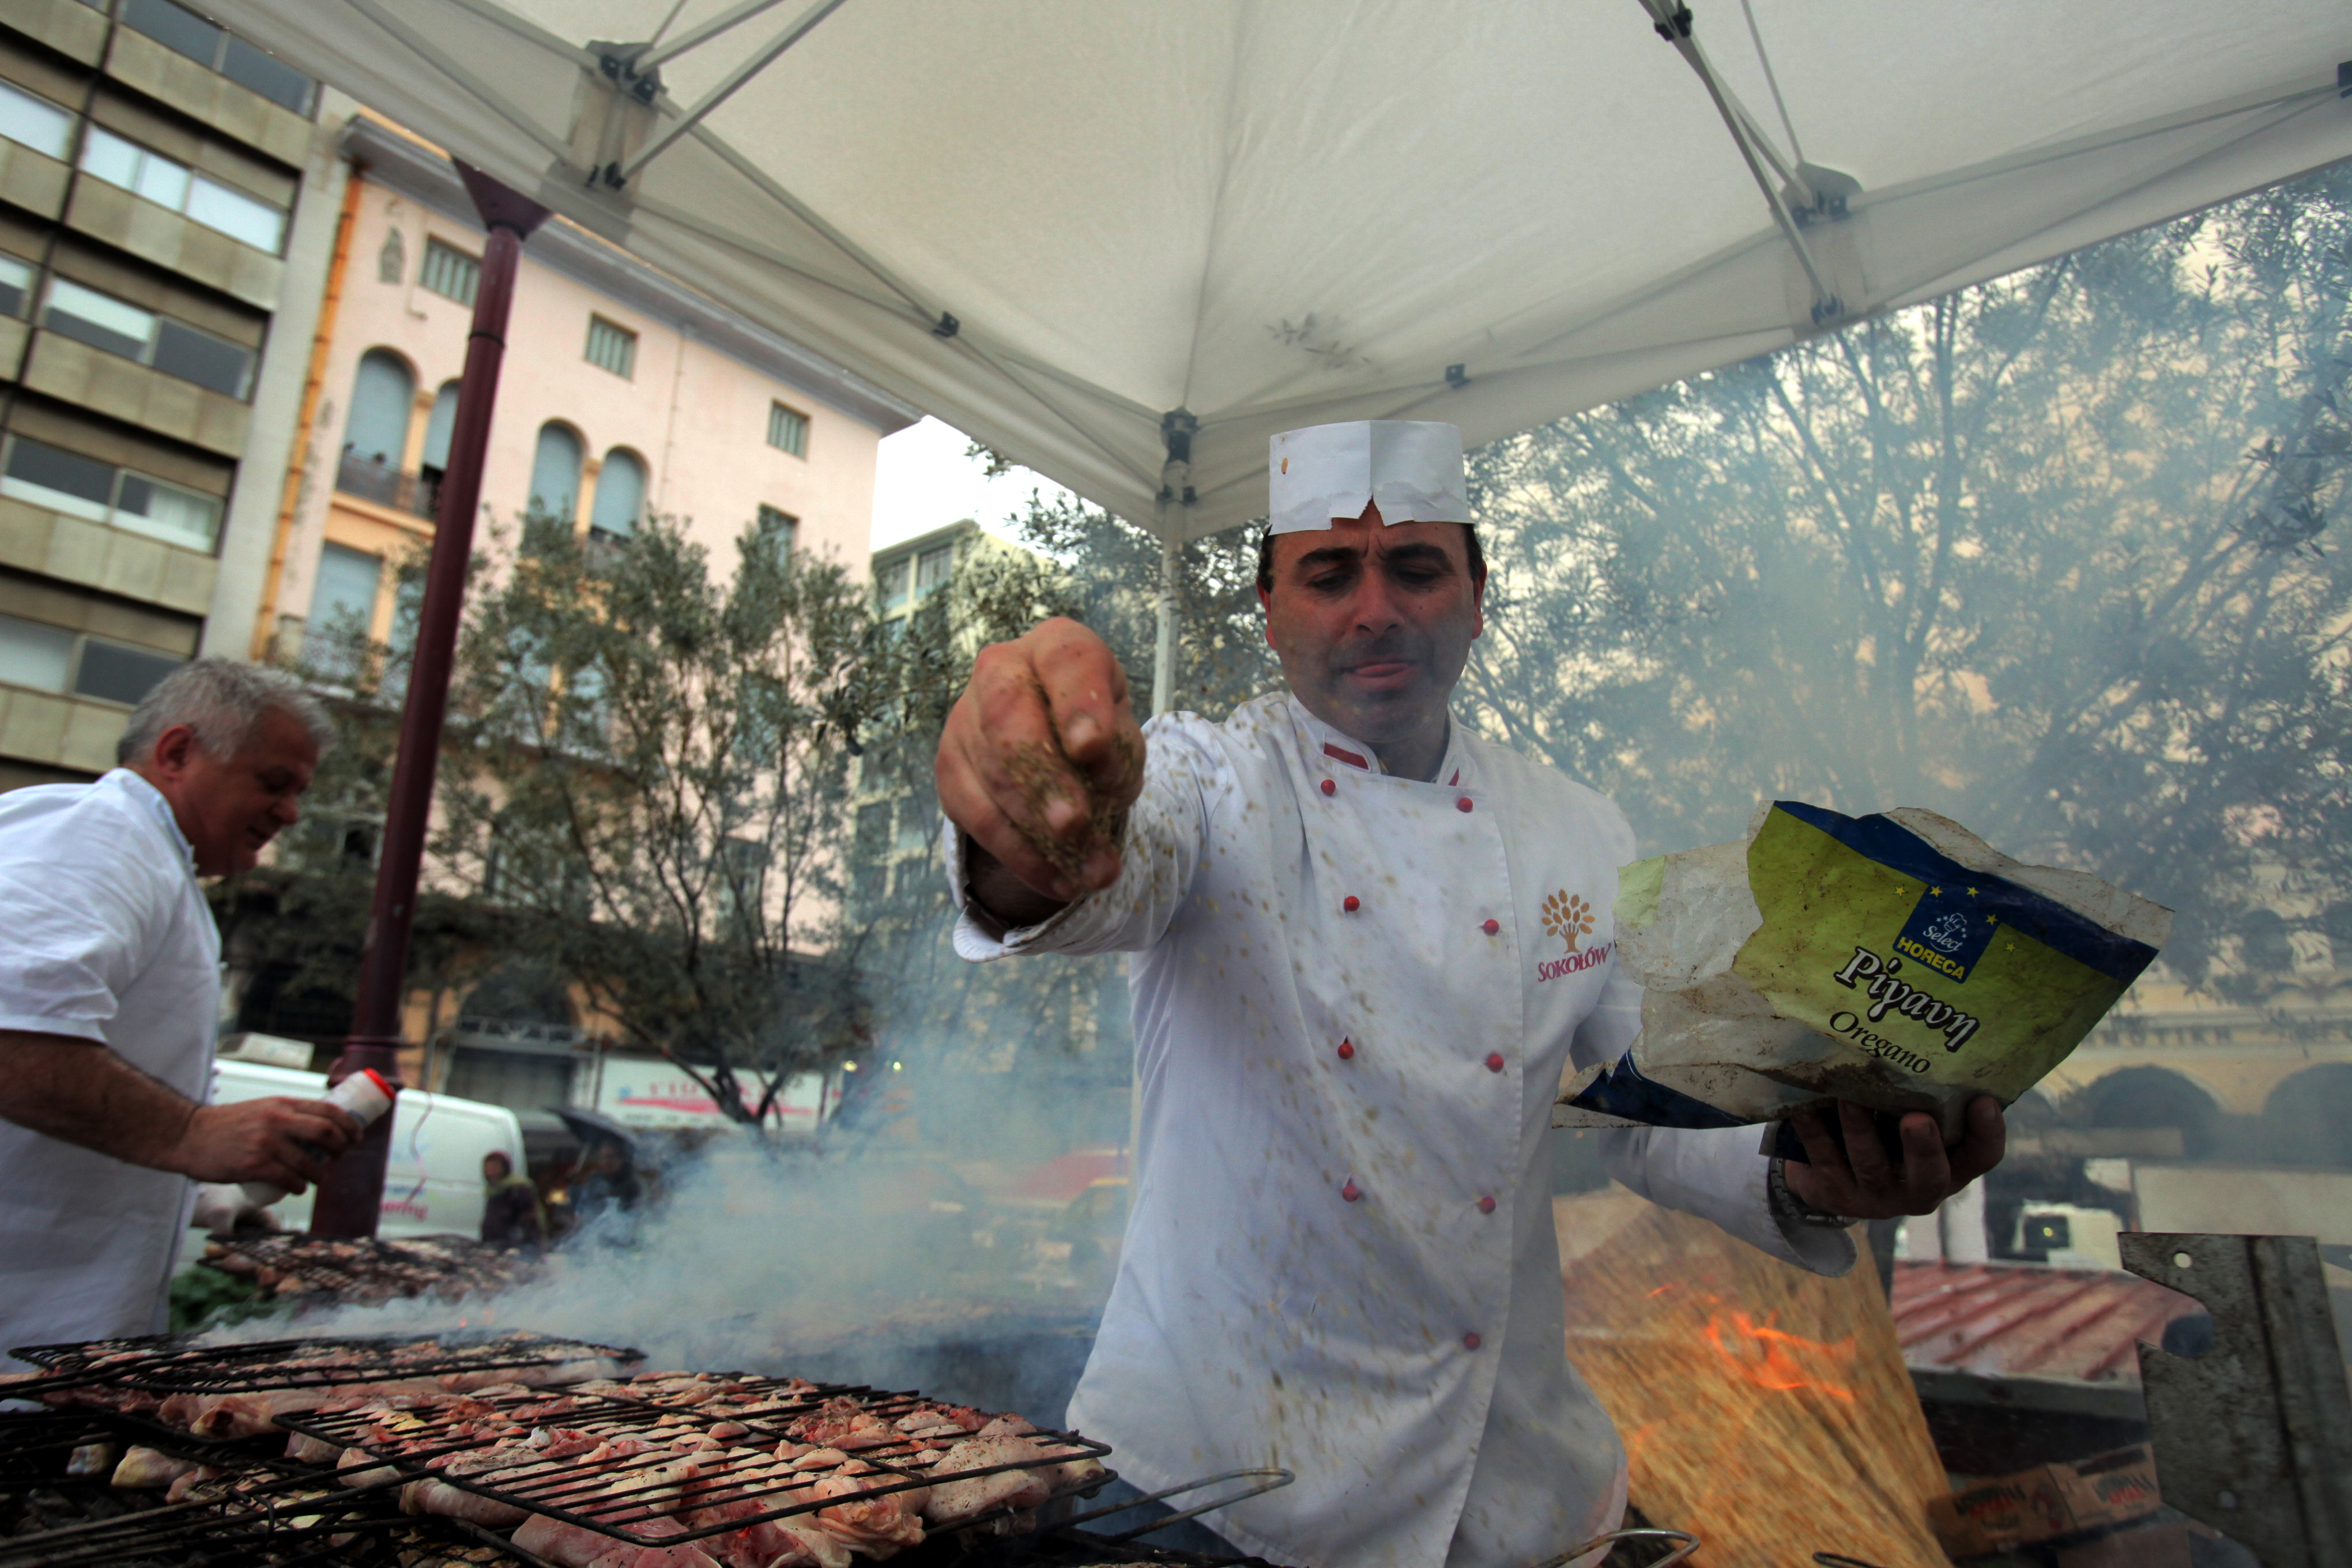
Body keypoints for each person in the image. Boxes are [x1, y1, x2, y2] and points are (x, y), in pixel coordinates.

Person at [935, 420, 2007, 1568]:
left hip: (1516, 1498)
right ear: (1269, 609)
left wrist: (1816, 1160)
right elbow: (1094, 865)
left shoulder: (1575, 826)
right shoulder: (1212, 780)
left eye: (1417, 567)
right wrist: (1035, 820)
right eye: (1330, 573)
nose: (1376, 608)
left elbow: (1663, 1103)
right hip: (1213, 1493)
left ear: (1479, 594)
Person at [0, 659, 359, 1366]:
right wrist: (193, 1132)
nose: (290, 812)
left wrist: (216, 1196)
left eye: (299, 792)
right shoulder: (102, 835)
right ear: (176, 753)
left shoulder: (157, 863)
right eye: (274, 782)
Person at [480, 1151, 546, 1252]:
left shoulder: (519, 1189)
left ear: (505, 1169)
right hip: (495, 1248)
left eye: (495, 1168)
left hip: (514, 1249)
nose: (491, 1173)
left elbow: (531, 1221)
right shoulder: (493, 1192)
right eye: (488, 1169)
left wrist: (531, 1251)